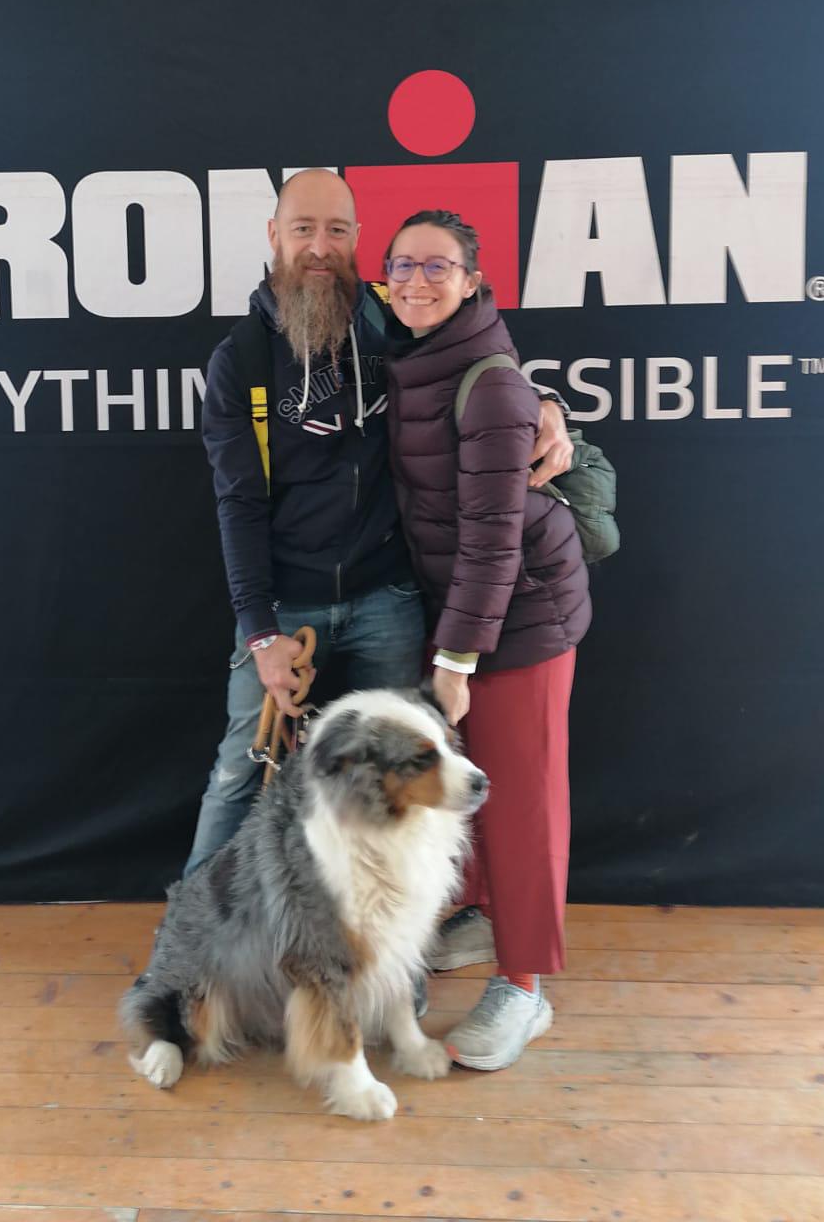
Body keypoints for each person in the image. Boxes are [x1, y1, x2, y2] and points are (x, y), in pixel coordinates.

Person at [187, 170, 573, 874]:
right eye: (303, 229)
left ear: (358, 238)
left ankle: (388, 931)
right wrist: (261, 632)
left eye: (337, 230)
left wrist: (543, 400)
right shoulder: (239, 359)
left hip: (388, 598)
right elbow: (237, 504)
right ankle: (188, 934)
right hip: (285, 604)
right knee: (241, 770)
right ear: (274, 236)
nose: (320, 247)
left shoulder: (392, 317)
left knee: (399, 774)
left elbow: (478, 353)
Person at [383, 207, 592, 1071]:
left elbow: (494, 541)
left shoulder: (492, 385)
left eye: (438, 266)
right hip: (461, 612)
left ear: (472, 281)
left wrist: (456, 660)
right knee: (465, 789)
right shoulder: (410, 353)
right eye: (402, 265)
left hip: (524, 619)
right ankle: (477, 919)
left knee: (523, 803)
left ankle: (525, 986)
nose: (417, 281)